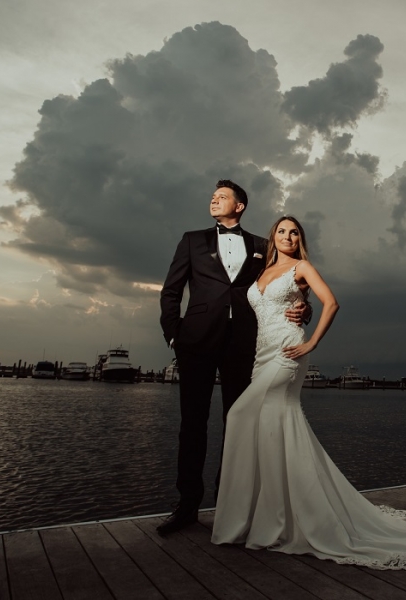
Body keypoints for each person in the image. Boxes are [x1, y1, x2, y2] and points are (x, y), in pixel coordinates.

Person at [212, 216, 406, 569]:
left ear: (300, 239)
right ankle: (267, 518)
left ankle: (265, 520)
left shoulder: (302, 266)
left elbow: (331, 302)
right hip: (262, 354)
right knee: (270, 427)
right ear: (273, 236)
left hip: (289, 350)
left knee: (240, 414)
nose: (288, 236)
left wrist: (312, 341)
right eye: (282, 231)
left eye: (294, 232)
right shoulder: (260, 272)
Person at [158, 180, 309, 537]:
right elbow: (171, 290)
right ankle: (187, 506)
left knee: (239, 422)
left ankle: (231, 503)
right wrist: (174, 334)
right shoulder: (192, 240)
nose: (214, 200)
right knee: (192, 424)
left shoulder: (261, 245)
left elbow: (286, 285)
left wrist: (304, 309)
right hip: (195, 341)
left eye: (222, 197)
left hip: (244, 344)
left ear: (239, 206)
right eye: (212, 196)